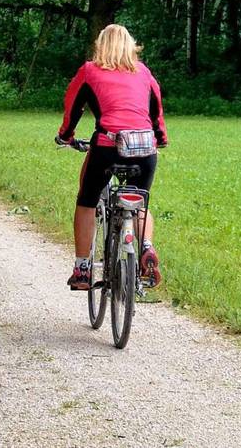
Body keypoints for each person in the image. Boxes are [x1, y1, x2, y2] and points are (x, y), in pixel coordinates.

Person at [55, 24, 168, 290]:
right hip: (144, 148)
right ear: (131, 46)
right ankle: (146, 248)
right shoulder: (144, 73)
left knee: (86, 200)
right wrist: (159, 139)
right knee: (139, 201)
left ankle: (82, 269)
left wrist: (66, 136)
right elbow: (156, 112)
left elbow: (73, 108)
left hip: (107, 145)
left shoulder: (89, 71)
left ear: (100, 46)